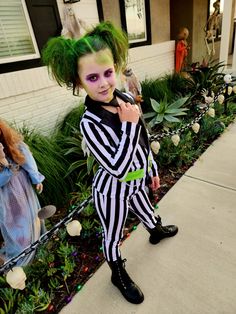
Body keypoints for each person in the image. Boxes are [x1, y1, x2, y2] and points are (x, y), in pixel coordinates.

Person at [42, 21, 178, 304]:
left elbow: (141, 137)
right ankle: (117, 273)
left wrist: (151, 169)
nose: (103, 83)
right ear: (79, 82)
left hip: (137, 180)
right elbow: (116, 167)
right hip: (112, 191)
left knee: (146, 208)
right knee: (113, 233)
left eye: (107, 73)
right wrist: (127, 125)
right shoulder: (90, 123)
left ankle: (155, 230)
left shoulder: (125, 98)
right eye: (92, 78)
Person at [0, 119, 45, 266]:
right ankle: (21, 251)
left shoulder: (13, 144)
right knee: (12, 223)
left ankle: (37, 245)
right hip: (5, 197)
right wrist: (5, 165)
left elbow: (27, 161)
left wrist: (36, 179)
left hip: (22, 190)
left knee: (30, 218)